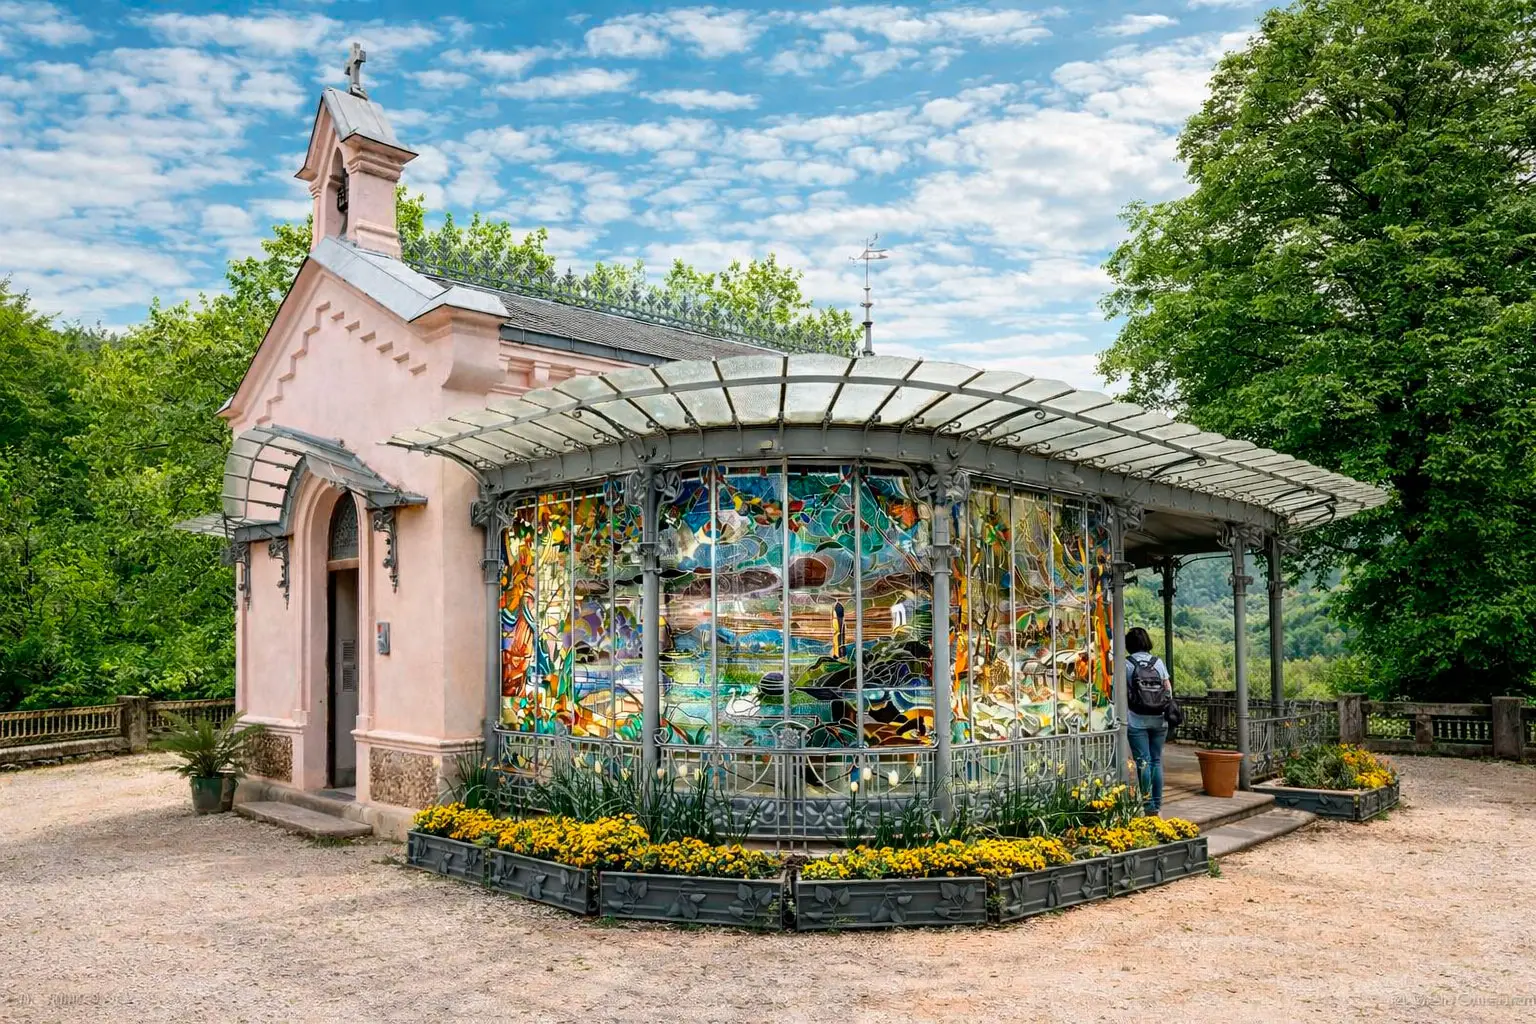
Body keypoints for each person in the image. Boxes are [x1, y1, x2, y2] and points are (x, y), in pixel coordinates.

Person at [1124, 626, 1173, 815]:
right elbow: (1168, 690)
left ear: (1128, 644)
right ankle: (1157, 805)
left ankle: (1147, 805)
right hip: (1159, 719)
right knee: (1156, 761)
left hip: (1136, 719)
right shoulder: (1157, 663)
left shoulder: (1126, 664)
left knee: (1142, 762)